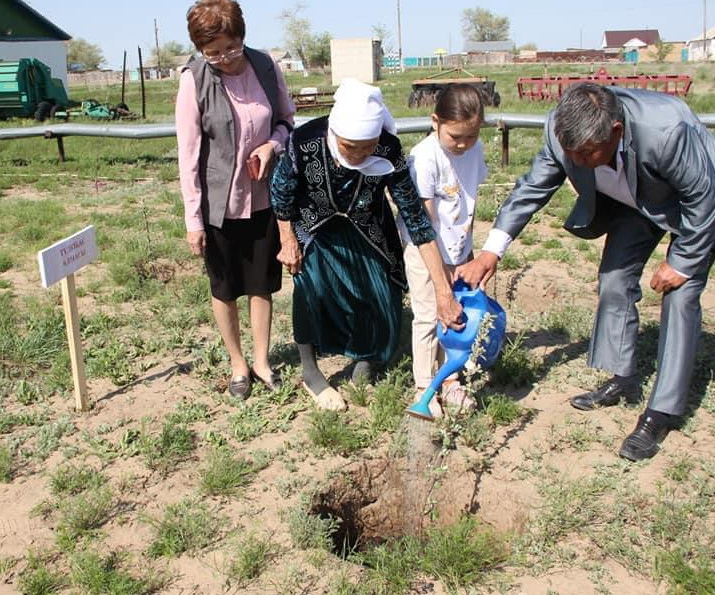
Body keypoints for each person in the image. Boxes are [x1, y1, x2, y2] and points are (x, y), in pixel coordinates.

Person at [458, 82, 715, 462]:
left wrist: (680, 262)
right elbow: (531, 189)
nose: (576, 161)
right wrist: (491, 251)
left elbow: (703, 196)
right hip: (632, 202)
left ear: (616, 131)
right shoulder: (560, 132)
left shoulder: (668, 130)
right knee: (614, 280)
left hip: (690, 203)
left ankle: (662, 412)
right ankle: (623, 378)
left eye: (586, 153)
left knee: (680, 296)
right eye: (570, 153)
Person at [270, 78, 464, 411]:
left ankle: (365, 355)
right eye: (350, 147)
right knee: (310, 288)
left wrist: (444, 293)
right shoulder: (303, 142)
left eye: (367, 146)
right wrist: (287, 239)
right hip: (313, 222)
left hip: (366, 223)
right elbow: (281, 191)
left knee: (379, 292)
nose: (360, 155)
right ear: (334, 134)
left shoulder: (388, 148)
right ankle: (310, 371)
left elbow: (417, 220)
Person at [175, 0, 295, 398]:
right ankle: (238, 364)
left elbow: (285, 121)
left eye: (231, 48)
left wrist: (270, 147)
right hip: (218, 206)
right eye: (212, 53)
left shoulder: (264, 66)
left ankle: (262, 359)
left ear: (242, 37)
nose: (224, 59)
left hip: (264, 199)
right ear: (200, 49)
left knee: (261, 284)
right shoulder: (194, 80)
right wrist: (194, 220)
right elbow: (188, 155)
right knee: (224, 287)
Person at [399, 84, 488, 418]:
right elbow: (425, 225)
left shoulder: (473, 152)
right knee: (428, 315)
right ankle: (425, 386)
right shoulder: (424, 158)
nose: (464, 144)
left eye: (472, 135)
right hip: (425, 251)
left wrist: (468, 253)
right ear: (435, 121)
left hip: (458, 247)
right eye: (456, 137)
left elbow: (470, 204)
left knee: (455, 314)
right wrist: (441, 276)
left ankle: (450, 378)